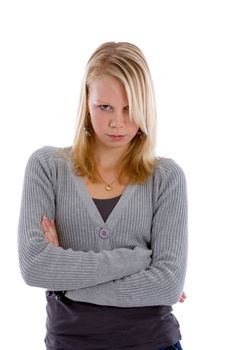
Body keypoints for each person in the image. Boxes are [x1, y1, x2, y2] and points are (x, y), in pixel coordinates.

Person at [18, 41, 188, 350]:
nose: (117, 123)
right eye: (104, 107)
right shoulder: (47, 168)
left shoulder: (166, 178)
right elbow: (33, 267)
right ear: (86, 101)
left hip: (153, 343)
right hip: (70, 343)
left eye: (129, 108)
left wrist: (66, 285)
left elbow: (167, 285)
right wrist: (135, 261)